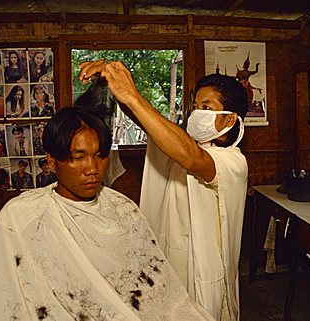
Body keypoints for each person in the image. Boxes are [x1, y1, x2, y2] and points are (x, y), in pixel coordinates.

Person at [0, 107, 213, 321]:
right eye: (77, 157)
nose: (92, 169)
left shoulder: (123, 209)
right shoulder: (21, 217)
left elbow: (157, 289)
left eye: (100, 156)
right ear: (50, 161)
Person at [80, 60, 249, 321]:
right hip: (170, 261)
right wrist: (115, 84)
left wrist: (133, 95)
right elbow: (148, 123)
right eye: (195, 107)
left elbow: (192, 159)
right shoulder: (180, 145)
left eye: (207, 107)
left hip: (203, 272)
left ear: (228, 118)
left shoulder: (232, 162)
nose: (196, 113)